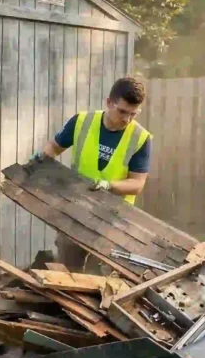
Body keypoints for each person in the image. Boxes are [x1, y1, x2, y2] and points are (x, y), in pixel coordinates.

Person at [33, 77, 152, 273]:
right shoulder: (81, 122)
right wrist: (41, 158)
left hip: (114, 216)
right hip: (76, 207)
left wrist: (108, 185)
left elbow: (137, 184)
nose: (127, 119)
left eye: (133, 114)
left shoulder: (141, 138)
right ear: (108, 102)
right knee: (68, 268)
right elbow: (54, 147)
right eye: (122, 111)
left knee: (100, 275)